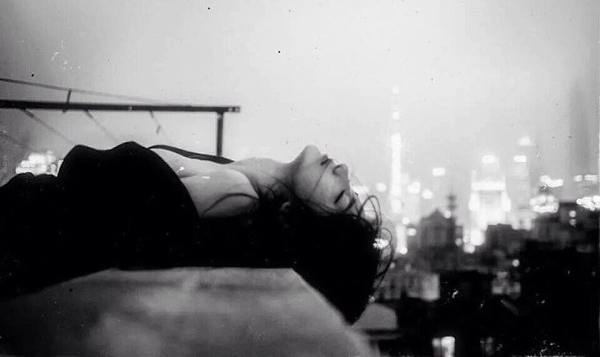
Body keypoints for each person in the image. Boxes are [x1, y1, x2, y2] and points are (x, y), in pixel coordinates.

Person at [0, 141, 391, 323]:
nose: (343, 171)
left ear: (304, 221)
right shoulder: (237, 183)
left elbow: (87, 202)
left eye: (340, 196)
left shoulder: (233, 196)